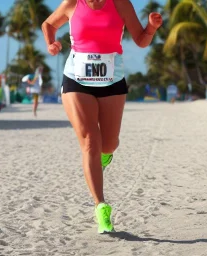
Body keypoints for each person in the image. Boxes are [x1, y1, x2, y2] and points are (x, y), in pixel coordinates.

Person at [42, 0, 162, 233]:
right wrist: (51, 44)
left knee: (109, 144)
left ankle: (104, 157)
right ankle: (101, 206)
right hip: (76, 79)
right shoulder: (72, 3)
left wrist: (151, 29)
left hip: (112, 80)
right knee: (90, 142)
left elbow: (140, 40)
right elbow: (48, 24)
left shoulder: (120, 4)